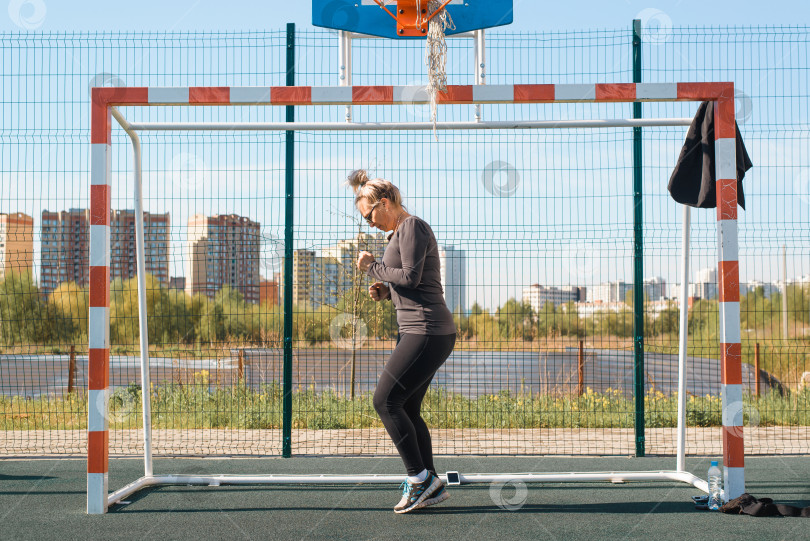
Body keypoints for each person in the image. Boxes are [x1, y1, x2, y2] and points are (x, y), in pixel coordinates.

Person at [346, 169, 457, 514]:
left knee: (385, 401)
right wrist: (384, 291)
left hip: (426, 330)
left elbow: (409, 276)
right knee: (407, 407)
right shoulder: (397, 235)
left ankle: (419, 479)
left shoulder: (413, 226)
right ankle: (432, 483)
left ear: (385, 202)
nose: (369, 224)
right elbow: (409, 281)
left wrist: (372, 268)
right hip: (421, 330)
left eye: (370, 216)